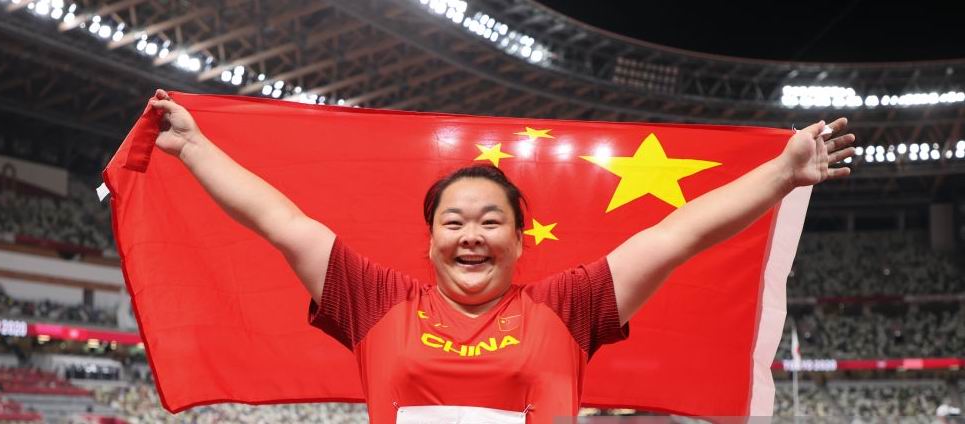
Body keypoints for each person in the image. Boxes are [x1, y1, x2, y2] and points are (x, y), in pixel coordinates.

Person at [147, 89, 855, 423]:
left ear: (519, 240)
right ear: (429, 240)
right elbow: (281, 222)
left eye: (492, 221)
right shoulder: (376, 302)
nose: (471, 235)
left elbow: (676, 235)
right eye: (453, 221)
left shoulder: (568, 307)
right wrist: (196, 147)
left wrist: (780, 174)